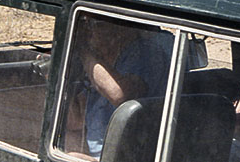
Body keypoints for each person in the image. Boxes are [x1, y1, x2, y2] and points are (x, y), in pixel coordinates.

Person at [65, 16, 173, 161]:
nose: (88, 31)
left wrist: (83, 49)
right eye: (86, 25)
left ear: (121, 27)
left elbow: (120, 95)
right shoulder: (106, 64)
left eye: (95, 24)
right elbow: (75, 120)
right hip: (104, 155)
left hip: (134, 156)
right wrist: (62, 77)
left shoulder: (145, 53)